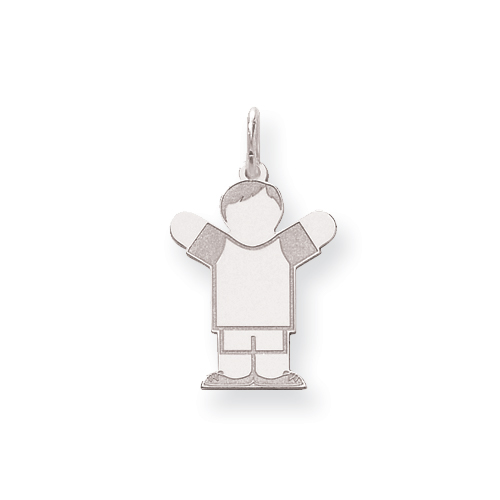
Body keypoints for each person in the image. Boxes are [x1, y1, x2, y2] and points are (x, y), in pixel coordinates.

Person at [171, 180, 336, 389]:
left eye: (261, 213)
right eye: (242, 214)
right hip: (232, 315)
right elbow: (182, 225)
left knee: (272, 347)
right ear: (227, 217)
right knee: (234, 348)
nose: (252, 220)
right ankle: (233, 373)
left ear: (277, 214)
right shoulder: (220, 245)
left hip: (273, 315)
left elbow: (322, 225)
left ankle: (274, 373)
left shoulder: (284, 245)